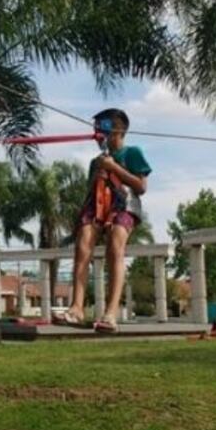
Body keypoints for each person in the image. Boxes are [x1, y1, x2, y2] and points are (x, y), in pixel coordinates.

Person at [62, 108, 151, 334]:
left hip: (124, 203)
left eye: (103, 127)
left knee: (115, 248)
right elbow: (91, 191)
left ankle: (110, 314)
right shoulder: (96, 161)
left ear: (118, 130)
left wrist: (114, 168)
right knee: (82, 249)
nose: (98, 133)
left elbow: (140, 187)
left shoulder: (132, 153)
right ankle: (77, 308)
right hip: (96, 204)